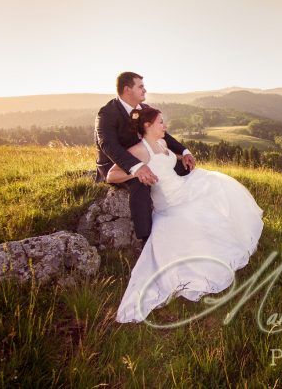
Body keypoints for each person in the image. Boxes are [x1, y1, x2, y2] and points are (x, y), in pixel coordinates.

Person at [110, 107, 264, 323]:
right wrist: (136, 170)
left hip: (185, 188)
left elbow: (168, 163)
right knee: (199, 217)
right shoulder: (139, 150)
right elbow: (112, 174)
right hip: (171, 204)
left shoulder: (162, 144)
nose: (165, 126)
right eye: (160, 122)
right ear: (147, 126)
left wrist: (184, 157)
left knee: (218, 184)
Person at [94, 72, 196, 245]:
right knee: (141, 183)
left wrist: (184, 152)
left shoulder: (143, 108)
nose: (145, 90)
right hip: (116, 165)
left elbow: (162, 133)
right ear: (127, 90)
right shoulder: (106, 114)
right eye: (140, 86)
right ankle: (146, 238)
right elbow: (108, 145)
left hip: (146, 156)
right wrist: (136, 167)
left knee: (182, 167)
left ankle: (189, 204)